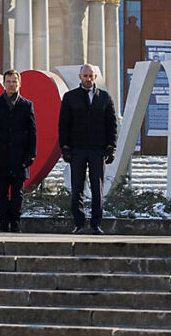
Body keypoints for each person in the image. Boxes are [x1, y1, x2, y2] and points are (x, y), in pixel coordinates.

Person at [59, 63, 118, 235]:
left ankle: (96, 224)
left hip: (97, 150)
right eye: (85, 76)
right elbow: (63, 124)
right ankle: (79, 223)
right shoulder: (70, 97)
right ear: (80, 77)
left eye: (91, 76)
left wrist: (111, 147)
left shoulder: (104, 97)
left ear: (95, 77)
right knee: (77, 187)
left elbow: (112, 124)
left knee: (97, 188)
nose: (88, 79)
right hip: (77, 149)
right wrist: (65, 147)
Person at [0, 70, 37, 233]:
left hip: (20, 157)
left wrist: (31, 154)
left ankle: (15, 223)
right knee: (1, 193)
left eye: (14, 81)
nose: (11, 84)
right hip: (0, 156)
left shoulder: (26, 105)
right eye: (8, 81)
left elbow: (32, 131)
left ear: (19, 83)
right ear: (4, 83)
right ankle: (3, 223)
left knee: (17, 193)